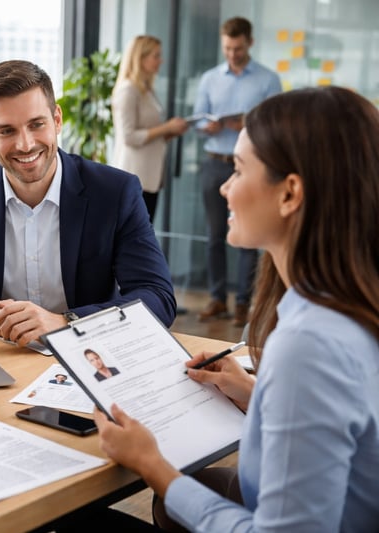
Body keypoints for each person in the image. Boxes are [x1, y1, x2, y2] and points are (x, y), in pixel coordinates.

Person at [86, 87, 379, 531]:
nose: (224, 186)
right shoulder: (349, 302)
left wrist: (154, 467)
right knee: (178, 501)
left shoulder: (308, 345)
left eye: (238, 170)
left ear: (290, 194)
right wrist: (256, 394)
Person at [0, 60, 176, 348]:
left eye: (36, 124)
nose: (26, 144)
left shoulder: (115, 192)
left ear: (57, 120)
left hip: (87, 353)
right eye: (7, 131)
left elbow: (157, 298)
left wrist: (66, 322)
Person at [193, 16, 282, 327]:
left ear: (250, 43)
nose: (233, 54)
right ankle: (217, 298)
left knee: (250, 233)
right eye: (228, 48)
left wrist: (249, 123)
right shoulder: (209, 79)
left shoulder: (269, 80)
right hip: (214, 162)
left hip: (252, 168)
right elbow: (198, 122)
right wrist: (210, 126)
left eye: (239, 48)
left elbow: (276, 125)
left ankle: (243, 302)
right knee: (215, 236)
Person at [112, 35, 188, 223]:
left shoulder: (145, 89)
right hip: (135, 175)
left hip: (149, 177)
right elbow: (129, 136)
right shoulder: (128, 90)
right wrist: (166, 127)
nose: (160, 61)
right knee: (133, 237)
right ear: (141, 58)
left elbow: (149, 133)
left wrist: (169, 132)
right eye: (156, 56)